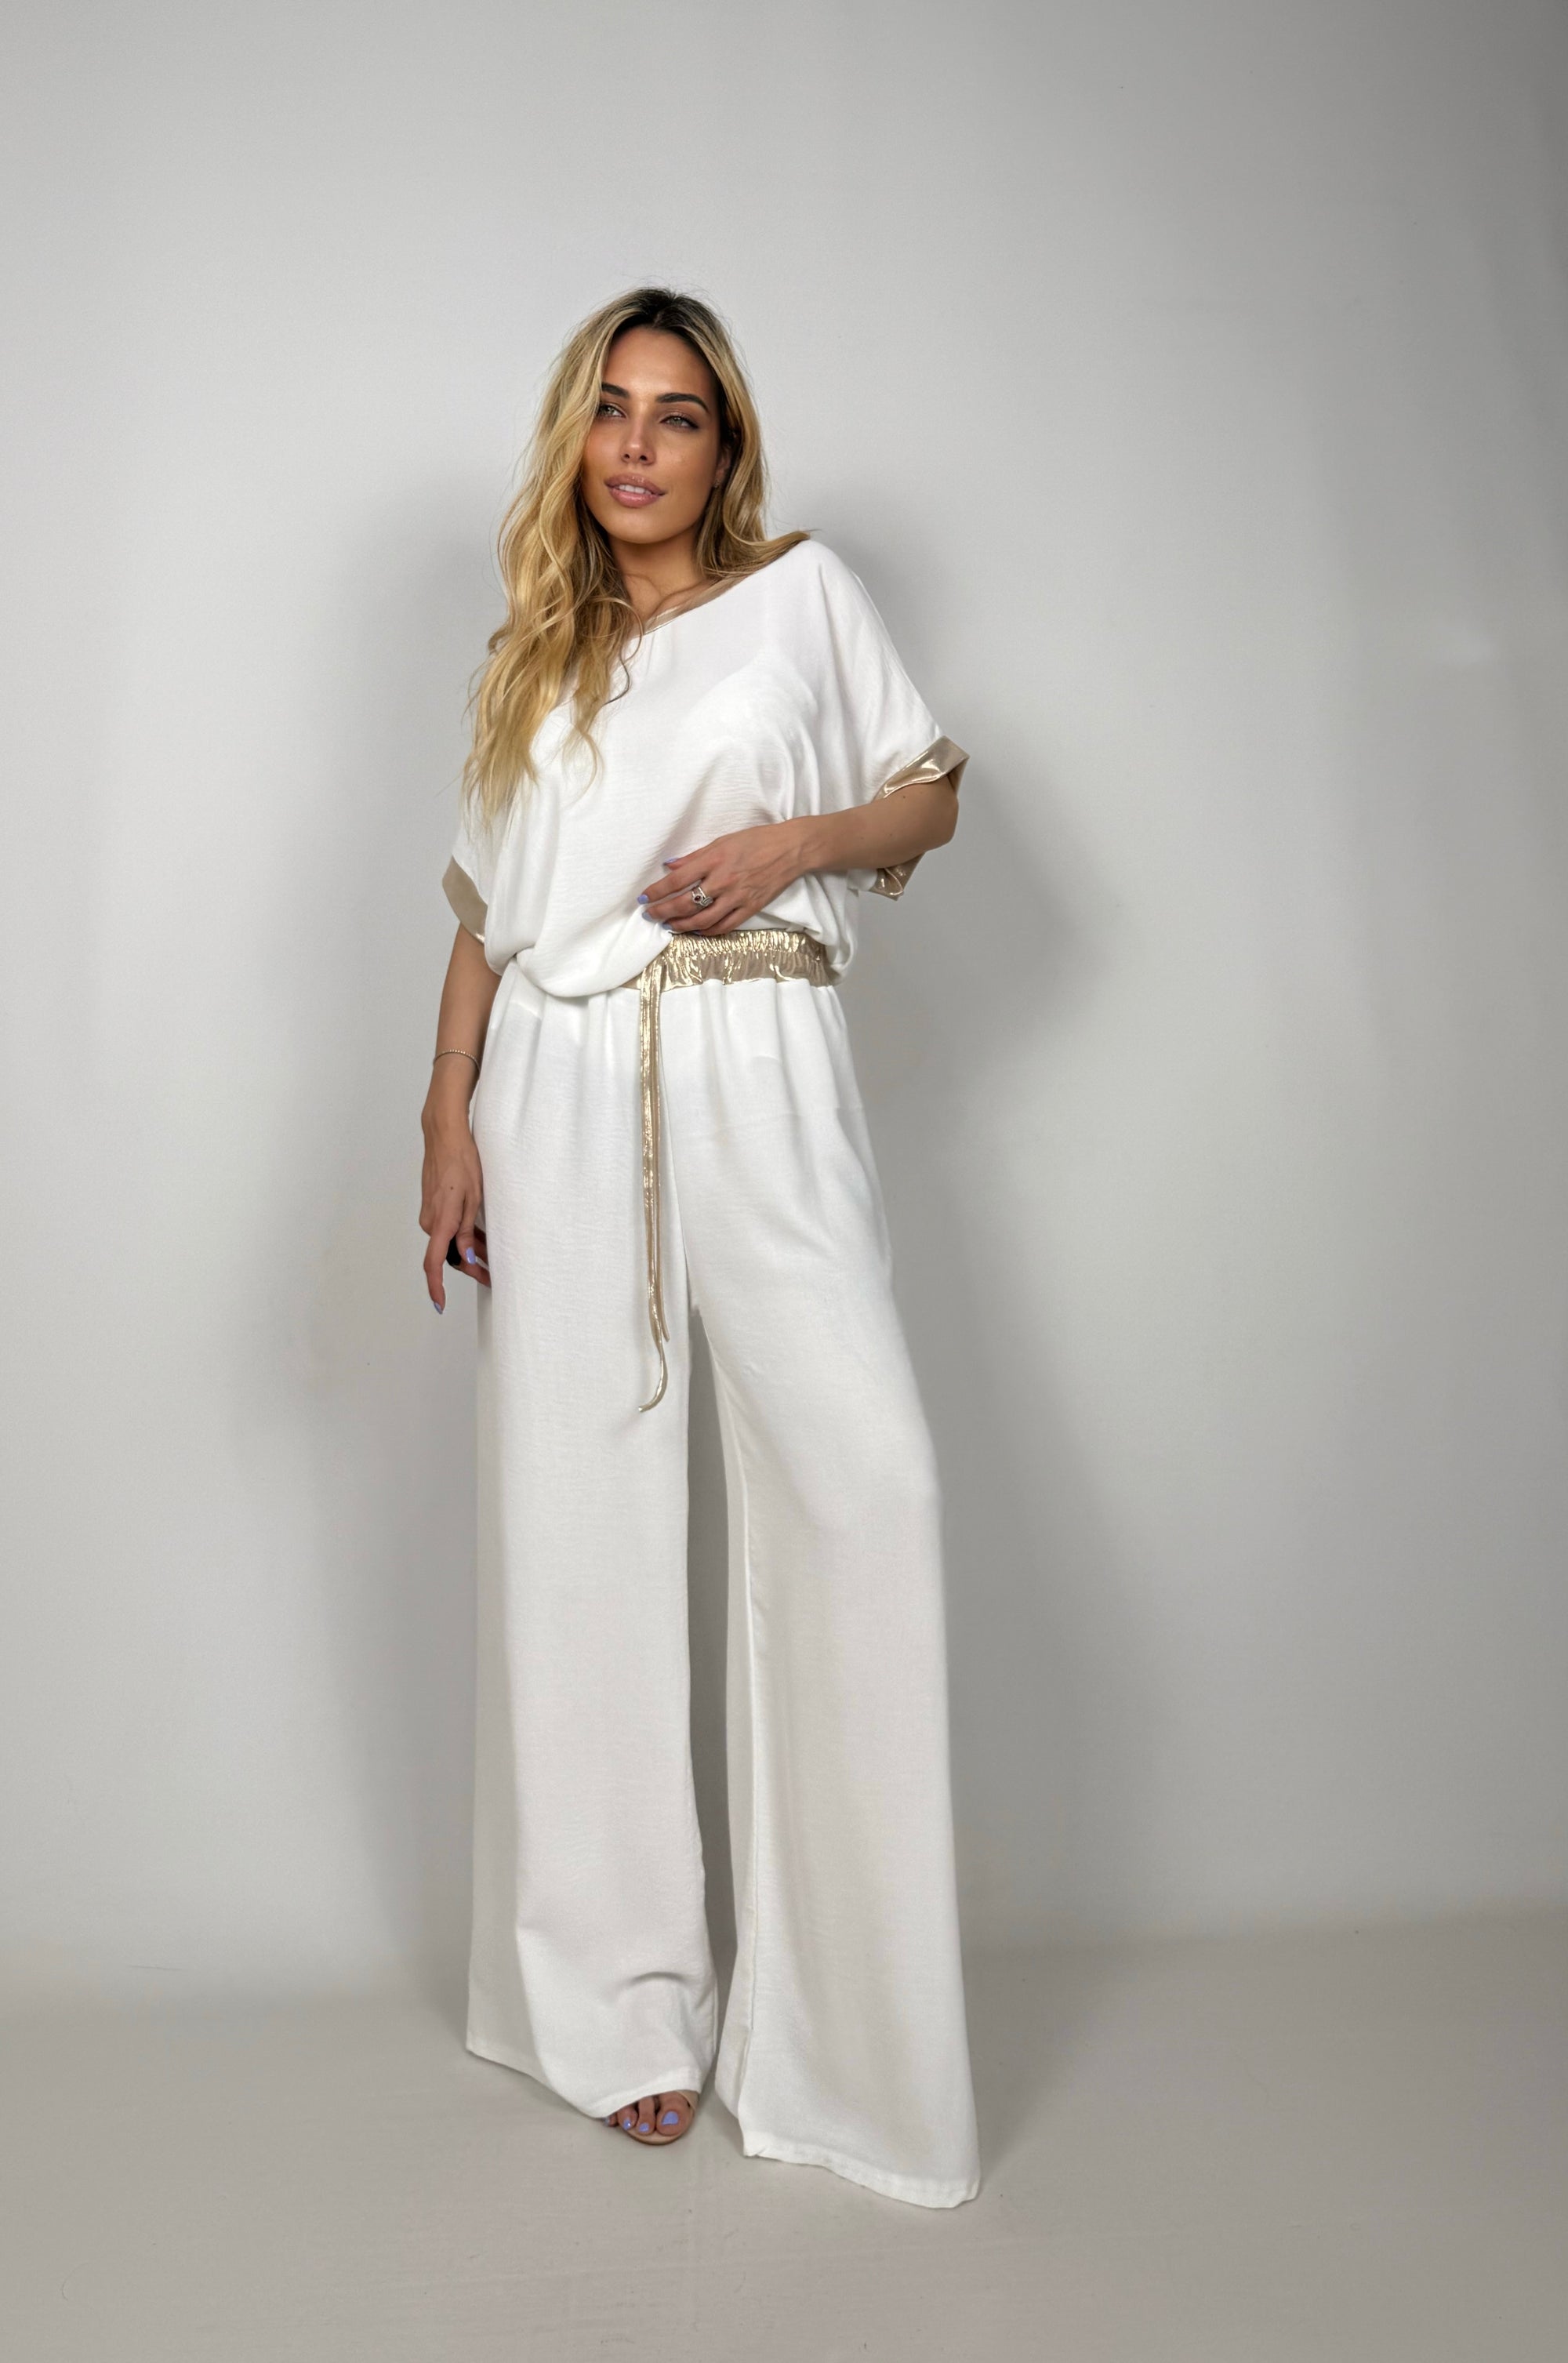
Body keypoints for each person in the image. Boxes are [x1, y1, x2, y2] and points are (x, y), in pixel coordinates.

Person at [419, 287, 980, 2209]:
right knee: (578, 1523)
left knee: (866, 1483)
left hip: (758, 1042)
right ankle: (619, 2008)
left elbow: (932, 790)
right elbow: (486, 910)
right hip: (559, 1081)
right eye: (610, 410)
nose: (640, 444)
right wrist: (443, 1117)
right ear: (575, 441)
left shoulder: (802, 597)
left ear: (725, 446)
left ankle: (849, 2045)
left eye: (677, 414)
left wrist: (790, 846)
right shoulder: (536, 656)